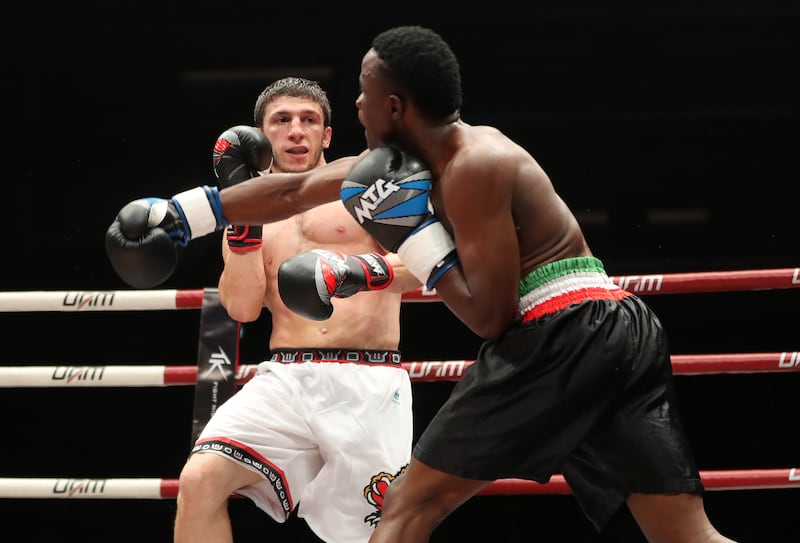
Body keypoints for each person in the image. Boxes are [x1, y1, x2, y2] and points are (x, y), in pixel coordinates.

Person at [106, 27, 736, 543]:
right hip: (615, 330)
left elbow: (490, 317)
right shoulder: (403, 165)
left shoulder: (475, 166)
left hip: (558, 331)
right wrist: (186, 213)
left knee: (404, 512)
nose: (354, 106)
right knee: (682, 533)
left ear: (395, 107)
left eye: (362, 93)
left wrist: (379, 258)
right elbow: (291, 191)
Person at [172, 77, 419, 543]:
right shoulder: (247, 206)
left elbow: (426, 267)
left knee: (370, 537)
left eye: (309, 121)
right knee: (200, 480)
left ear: (327, 135)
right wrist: (243, 228)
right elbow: (242, 309)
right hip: (285, 378)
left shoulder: (367, 188)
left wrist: (355, 270)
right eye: (282, 121)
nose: (296, 131)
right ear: (262, 136)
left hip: (366, 380)